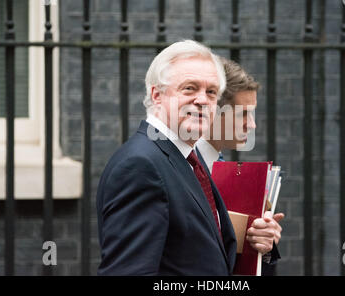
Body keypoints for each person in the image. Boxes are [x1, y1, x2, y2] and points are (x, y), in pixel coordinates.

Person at [96, 40, 278, 275]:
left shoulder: (190, 159)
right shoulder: (141, 165)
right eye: (190, 88)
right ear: (157, 95)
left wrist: (260, 247)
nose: (202, 100)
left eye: (211, 92)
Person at [195, 57, 284, 276]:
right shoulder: (182, 167)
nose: (252, 125)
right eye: (243, 114)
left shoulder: (224, 168)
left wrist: (264, 246)